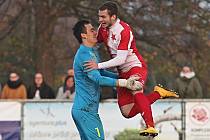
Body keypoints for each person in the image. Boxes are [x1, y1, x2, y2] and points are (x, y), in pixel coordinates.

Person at [84, 2, 179, 137]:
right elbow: (95, 41)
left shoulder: (124, 30)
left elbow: (120, 60)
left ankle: (150, 126)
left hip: (135, 67)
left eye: (103, 17)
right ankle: (158, 93)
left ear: (113, 17)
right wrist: (84, 43)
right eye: (99, 17)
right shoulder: (103, 28)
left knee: (135, 89)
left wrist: (97, 65)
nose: (100, 20)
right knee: (127, 112)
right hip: (122, 73)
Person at [71, 20, 142, 140]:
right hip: (85, 111)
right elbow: (98, 79)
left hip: (86, 110)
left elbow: (101, 72)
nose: (95, 32)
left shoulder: (91, 52)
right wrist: (124, 83)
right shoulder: (84, 55)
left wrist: (123, 77)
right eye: (92, 30)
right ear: (83, 35)